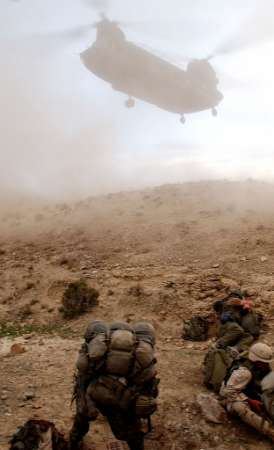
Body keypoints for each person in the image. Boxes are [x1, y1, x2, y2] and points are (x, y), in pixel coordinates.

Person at [69, 320, 159, 450]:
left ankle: (73, 443)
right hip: (121, 399)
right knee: (131, 432)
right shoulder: (140, 355)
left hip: (95, 392)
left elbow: (83, 371)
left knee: (81, 422)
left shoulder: (99, 349)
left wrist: (84, 399)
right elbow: (148, 387)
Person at [220, 342, 274, 442]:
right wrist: (250, 401)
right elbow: (226, 392)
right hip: (230, 397)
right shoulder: (244, 372)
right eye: (264, 362)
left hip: (250, 392)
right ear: (257, 361)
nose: (267, 365)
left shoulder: (257, 366)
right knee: (240, 407)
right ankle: (270, 432)